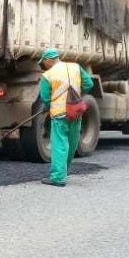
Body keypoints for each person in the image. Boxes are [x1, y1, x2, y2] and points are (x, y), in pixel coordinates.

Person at [33, 48, 94, 186]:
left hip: (59, 114)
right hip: (75, 112)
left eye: (44, 63)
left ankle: (58, 177)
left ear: (49, 60)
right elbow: (89, 84)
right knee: (72, 143)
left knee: (60, 144)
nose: (44, 65)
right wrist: (77, 93)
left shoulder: (47, 76)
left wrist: (48, 107)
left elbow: (45, 97)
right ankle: (63, 170)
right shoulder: (76, 67)